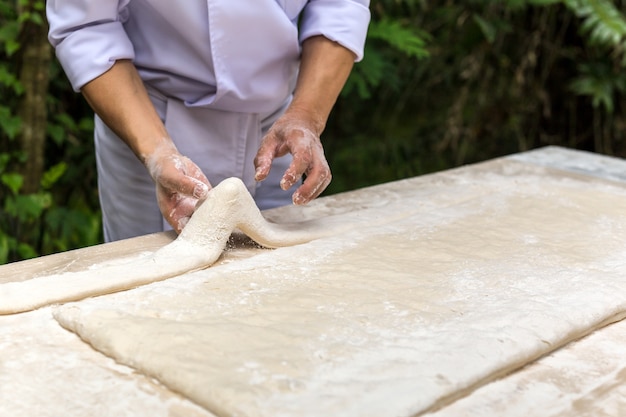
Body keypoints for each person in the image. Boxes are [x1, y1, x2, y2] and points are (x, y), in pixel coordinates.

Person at [46, 1, 370, 242]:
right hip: (148, 121)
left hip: (278, 136)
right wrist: (157, 152)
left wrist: (306, 115)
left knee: (283, 293)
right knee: (151, 309)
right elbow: (86, 27)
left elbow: (340, 6)